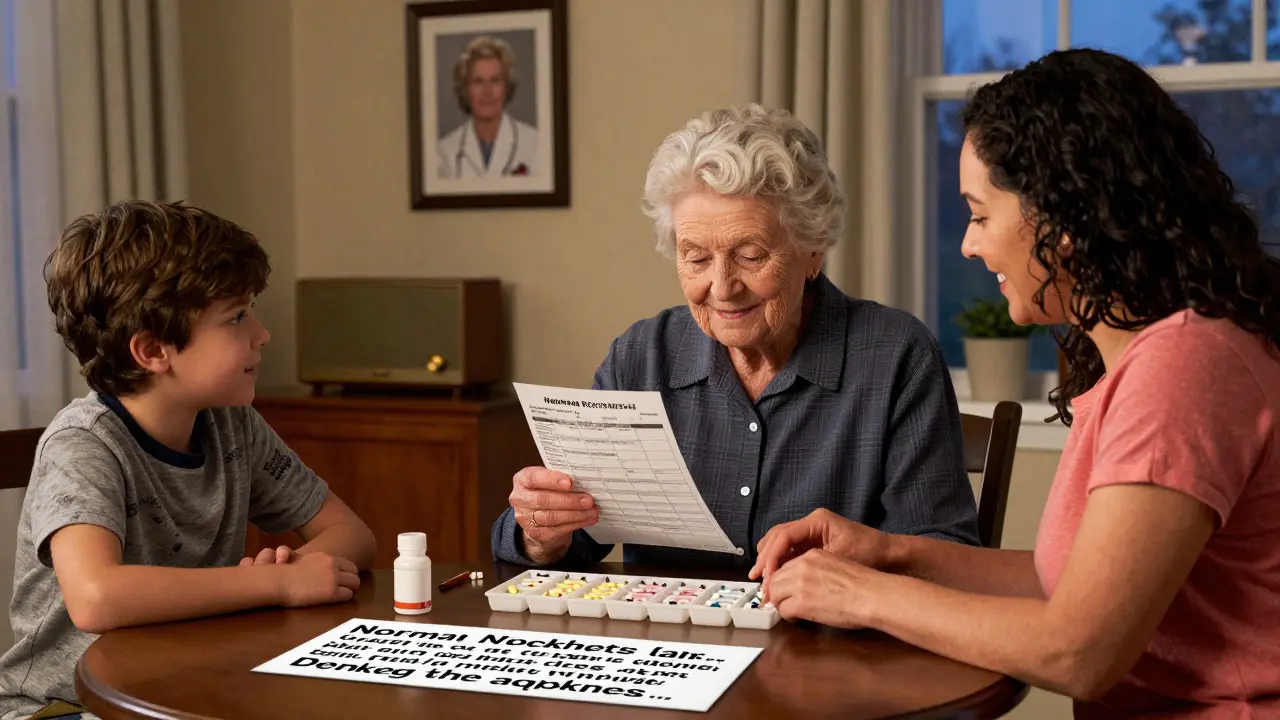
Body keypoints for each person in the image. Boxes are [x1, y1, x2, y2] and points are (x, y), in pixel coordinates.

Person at [750, 49, 1280, 718]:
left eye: (979, 214)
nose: (970, 245)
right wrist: (889, 554)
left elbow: (1078, 652)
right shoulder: (1161, 353)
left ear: (1060, 222)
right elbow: (1061, 584)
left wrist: (859, 596)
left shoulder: (1184, 369)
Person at [491, 103, 980, 571]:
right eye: (696, 258)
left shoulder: (895, 357)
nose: (722, 288)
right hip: (673, 650)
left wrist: (859, 567)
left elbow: (944, 554)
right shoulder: (640, 358)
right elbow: (578, 540)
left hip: (831, 646)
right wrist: (541, 531)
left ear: (813, 251)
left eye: (750, 255)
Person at [0, 200, 378, 720]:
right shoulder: (83, 445)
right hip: (66, 707)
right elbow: (96, 597)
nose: (262, 334)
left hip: (189, 686)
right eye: (237, 317)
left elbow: (353, 535)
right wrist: (273, 583)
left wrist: (300, 569)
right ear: (153, 351)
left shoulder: (233, 425)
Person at [435, 35, 537, 180]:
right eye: (478, 82)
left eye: (495, 81)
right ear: (465, 89)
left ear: (507, 86)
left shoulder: (536, 144)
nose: (487, 91)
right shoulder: (443, 152)